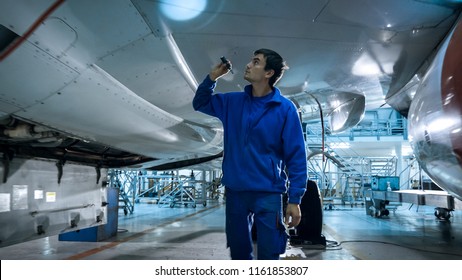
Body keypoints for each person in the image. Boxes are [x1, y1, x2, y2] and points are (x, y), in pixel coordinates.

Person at [193, 49, 307, 260]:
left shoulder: (285, 109)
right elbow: (199, 103)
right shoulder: (232, 103)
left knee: (269, 253)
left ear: (268, 73)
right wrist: (212, 78)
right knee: (239, 253)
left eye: (255, 62)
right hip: (236, 192)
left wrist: (295, 199)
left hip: (268, 193)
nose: (248, 65)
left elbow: (296, 156)